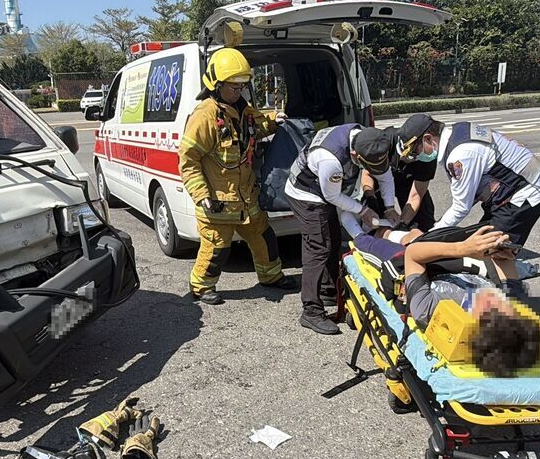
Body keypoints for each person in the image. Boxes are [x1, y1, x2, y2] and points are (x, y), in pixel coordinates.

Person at [179, 47, 297, 305]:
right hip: (219, 203)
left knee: (265, 239)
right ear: (216, 85)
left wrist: (275, 120)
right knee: (217, 249)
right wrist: (202, 196)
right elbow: (188, 161)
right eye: (234, 87)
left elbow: (257, 128)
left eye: (242, 86)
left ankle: (271, 277)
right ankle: (201, 287)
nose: (239, 91)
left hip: (247, 198)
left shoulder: (243, 111)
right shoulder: (205, 116)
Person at [285, 124, 398, 335]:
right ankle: (311, 310)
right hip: (306, 193)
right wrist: (363, 210)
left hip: (322, 189)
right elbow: (332, 197)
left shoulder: (368, 140)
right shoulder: (331, 160)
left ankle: (328, 290)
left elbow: (384, 176)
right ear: (355, 154)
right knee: (318, 247)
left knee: (333, 240)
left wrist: (390, 207)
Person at [403, 227, 540, 377]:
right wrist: (502, 253)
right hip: (472, 253)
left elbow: (411, 254)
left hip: (430, 253)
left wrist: (461, 248)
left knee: (411, 234)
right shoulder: (512, 305)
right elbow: (505, 265)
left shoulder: (429, 311)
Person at [431, 121, 540, 248]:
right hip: (514, 188)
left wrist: (431, 235)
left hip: (524, 194)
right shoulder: (460, 131)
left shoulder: (460, 154)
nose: (418, 156)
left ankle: (521, 267)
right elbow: (469, 194)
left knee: (492, 251)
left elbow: (461, 206)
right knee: (480, 242)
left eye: (415, 151)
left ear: (428, 138)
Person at [364, 114, 443, 231]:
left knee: (423, 225)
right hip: (380, 185)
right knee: (376, 224)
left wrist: (402, 223)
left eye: (414, 155)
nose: (409, 159)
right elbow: (366, 174)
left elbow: (416, 194)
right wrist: (370, 198)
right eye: (406, 156)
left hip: (409, 185)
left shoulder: (427, 154)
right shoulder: (384, 142)